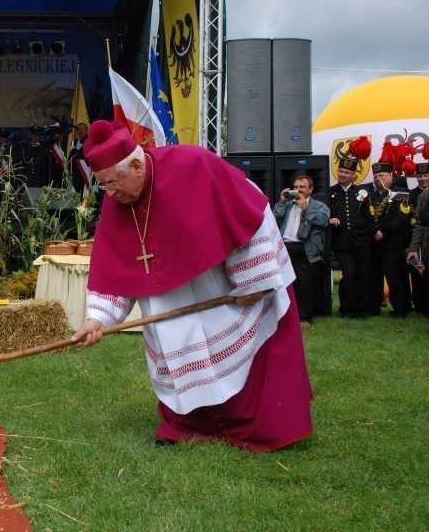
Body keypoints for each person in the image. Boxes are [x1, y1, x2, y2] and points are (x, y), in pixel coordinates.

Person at [71, 120, 313, 452]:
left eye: (112, 183)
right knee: (176, 348)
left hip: (218, 283)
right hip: (167, 302)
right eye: (103, 186)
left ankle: (245, 425)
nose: (109, 194)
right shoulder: (117, 202)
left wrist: (251, 281)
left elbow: (246, 210)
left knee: (240, 349)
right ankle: (186, 425)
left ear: (137, 165)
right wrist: (97, 319)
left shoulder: (193, 166)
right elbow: (115, 268)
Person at [273, 173, 330, 327]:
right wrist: (281, 201)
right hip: (286, 246)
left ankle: (305, 318)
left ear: (310, 189)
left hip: (306, 248)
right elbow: (274, 217)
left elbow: (323, 221)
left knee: (305, 284)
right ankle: (288, 316)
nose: (298, 190)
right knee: (287, 283)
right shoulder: (288, 204)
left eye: (302, 187)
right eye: (296, 187)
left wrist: (305, 208)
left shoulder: (319, 206)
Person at [328, 154, 375, 318]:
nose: (342, 174)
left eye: (346, 172)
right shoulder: (331, 193)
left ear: (354, 175)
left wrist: (369, 236)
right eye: (340, 171)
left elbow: (369, 217)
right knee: (349, 274)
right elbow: (326, 214)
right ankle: (346, 308)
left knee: (362, 275)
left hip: (362, 242)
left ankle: (360, 310)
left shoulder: (362, 192)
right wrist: (330, 219)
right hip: (342, 243)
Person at [363, 161, 412, 317]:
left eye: (382, 175)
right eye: (376, 176)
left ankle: (401, 309)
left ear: (391, 175)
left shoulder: (401, 194)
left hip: (394, 244)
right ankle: (373, 307)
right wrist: (373, 231)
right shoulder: (370, 195)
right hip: (374, 243)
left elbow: (402, 218)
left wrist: (383, 231)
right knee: (374, 278)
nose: (378, 179)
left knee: (396, 278)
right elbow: (366, 216)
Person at [407, 162, 429, 316]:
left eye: (425, 175)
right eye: (419, 176)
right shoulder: (423, 196)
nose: (422, 179)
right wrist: (413, 248)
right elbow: (419, 224)